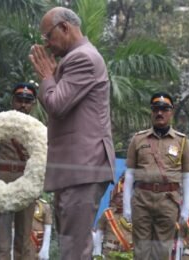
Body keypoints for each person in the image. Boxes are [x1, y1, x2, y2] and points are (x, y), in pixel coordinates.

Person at [29, 7, 115, 259]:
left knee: (75, 250)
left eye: (48, 36)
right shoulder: (76, 58)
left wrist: (46, 76)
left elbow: (56, 104)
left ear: (65, 28)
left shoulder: (83, 58)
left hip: (83, 168)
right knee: (70, 246)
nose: (46, 44)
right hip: (76, 169)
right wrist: (53, 75)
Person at [123, 92, 189, 260]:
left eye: (164, 109)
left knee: (162, 251)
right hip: (142, 200)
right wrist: (127, 206)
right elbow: (130, 174)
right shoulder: (138, 139)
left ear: (171, 112)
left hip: (168, 201)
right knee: (140, 251)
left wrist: (185, 210)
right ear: (151, 112)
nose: (160, 113)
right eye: (156, 109)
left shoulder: (181, 141)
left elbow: (187, 176)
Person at [0, 82, 37, 260]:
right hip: (3, 180)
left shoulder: (38, 129)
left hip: (26, 180)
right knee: (2, 237)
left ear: (32, 104)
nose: (23, 105)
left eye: (27, 101)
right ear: (13, 101)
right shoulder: (0, 123)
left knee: (24, 236)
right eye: (19, 100)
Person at [93, 176, 132, 257]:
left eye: (124, 197)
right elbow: (99, 232)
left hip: (129, 254)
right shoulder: (107, 213)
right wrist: (97, 253)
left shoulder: (135, 214)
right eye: (119, 197)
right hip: (109, 254)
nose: (122, 199)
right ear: (113, 198)